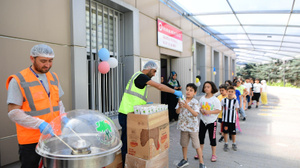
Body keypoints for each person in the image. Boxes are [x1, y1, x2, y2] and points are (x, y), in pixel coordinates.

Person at [6, 44, 65, 168]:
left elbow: (57, 102)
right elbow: (13, 112)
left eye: (50, 61)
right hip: (31, 140)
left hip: (53, 136)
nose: (47, 65)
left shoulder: (54, 77)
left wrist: (63, 116)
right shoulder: (18, 80)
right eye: (43, 61)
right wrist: (39, 124)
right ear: (32, 58)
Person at [118, 61, 182, 167]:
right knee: (127, 142)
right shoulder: (141, 76)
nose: (154, 74)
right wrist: (174, 92)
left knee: (131, 141)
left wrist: (144, 104)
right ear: (148, 68)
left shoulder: (138, 77)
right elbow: (159, 87)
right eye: (154, 71)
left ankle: (130, 163)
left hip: (131, 114)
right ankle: (125, 164)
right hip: (127, 114)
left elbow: (135, 96)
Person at [175, 83, 206, 168]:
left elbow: (196, 114)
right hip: (183, 126)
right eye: (187, 89)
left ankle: (201, 163)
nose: (188, 92)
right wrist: (180, 107)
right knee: (184, 144)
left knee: (197, 145)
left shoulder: (195, 102)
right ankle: (185, 159)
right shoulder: (182, 99)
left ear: (195, 93)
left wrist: (187, 107)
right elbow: (177, 112)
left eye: (191, 90)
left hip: (193, 128)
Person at [196, 81, 221, 162]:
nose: (206, 88)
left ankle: (214, 155)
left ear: (212, 88)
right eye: (205, 87)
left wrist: (209, 112)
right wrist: (201, 110)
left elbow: (218, 110)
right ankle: (200, 153)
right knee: (201, 138)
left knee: (212, 139)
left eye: (208, 87)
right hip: (203, 121)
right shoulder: (202, 98)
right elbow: (199, 107)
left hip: (212, 122)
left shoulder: (215, 99)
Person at [221, 86, 240, 152]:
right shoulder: (224, 100)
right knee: (225, 132)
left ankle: (234, 143)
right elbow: (222, 108)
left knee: (233, 132)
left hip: (232, 120)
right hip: (225, 119)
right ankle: (226, 143)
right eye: (229, 91)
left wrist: (235, 117)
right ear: (227, 92)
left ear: (234, 92)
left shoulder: (235, 101)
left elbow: (236, 109)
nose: (230, 93)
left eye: (232, 92)